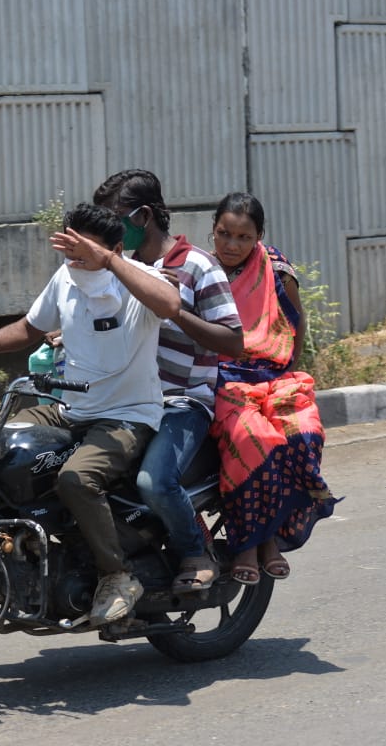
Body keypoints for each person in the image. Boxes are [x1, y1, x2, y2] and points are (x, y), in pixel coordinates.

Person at [0, 202, 180, 626]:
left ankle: (117, 576)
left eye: (82, 247)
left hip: (127, 416)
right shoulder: (66, 278)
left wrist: (109, 261)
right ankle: (18, 551)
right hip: (70, 411)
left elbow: (170, 305)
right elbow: (32, 327)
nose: (74, 256)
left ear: (116, 247)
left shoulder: (138, 283)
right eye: (68, 245)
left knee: (76, 479)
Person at [92, 170, 244, 593]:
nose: (107, 230)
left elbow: (233, 342)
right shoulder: (120, 266)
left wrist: (176, 310)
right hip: (123, 400)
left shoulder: (197, 265)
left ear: (142, 217)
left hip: (182, 401)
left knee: (153, 482)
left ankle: (196, 552)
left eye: (114, 218)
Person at [207, 192, 339, 584]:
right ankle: (249, 544)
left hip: (274, 377)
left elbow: (295, 326)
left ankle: (272, 539)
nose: (231, 245)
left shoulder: (277, 269)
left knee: (304, 436)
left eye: (243, 238)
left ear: (259, 237)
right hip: (225, 379)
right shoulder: (202, 270)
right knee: (253, 440)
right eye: (223, 234)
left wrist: (283, 378)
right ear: (212, 230)